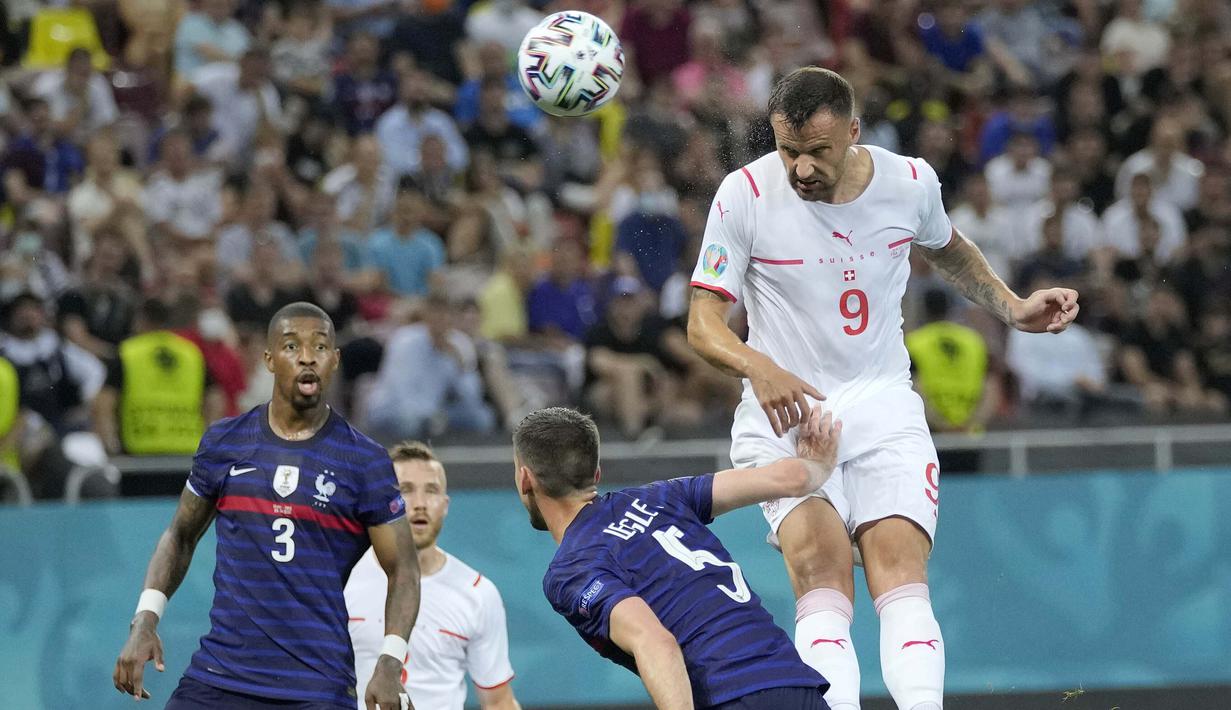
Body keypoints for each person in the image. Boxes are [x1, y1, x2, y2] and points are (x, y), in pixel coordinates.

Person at [686, 67, 1080, 710]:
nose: (801, 169)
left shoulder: (910, 181)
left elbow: (947, 246)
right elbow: (703, 323)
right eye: (789, 151)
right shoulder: (745, 195)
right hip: (784, 415)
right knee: (822, 576)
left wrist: (1011, 307)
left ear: (853, 132)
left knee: (901, 575)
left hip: (883, 401)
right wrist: (757, 366)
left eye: (818, 152)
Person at [113, 302, 422, 710]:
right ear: (269, 359)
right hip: (220, 676)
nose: (308, 356)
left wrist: (389, 660)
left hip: (314, 685)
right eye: (292, 346)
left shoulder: (362, 460)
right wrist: (145, 619)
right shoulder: (225, 442)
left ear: (335, 361)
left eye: (321, 347)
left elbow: (403, 569)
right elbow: (180, 535)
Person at [513, 406, 839, 710]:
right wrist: (819, 464)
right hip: (796, 684)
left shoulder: (572, 569)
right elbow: (788, 479)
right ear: (596, 474)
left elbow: (656, 643)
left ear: (525, 478)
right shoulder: (663, 496)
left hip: (727, 696)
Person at [346, 441, 520, 710]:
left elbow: (498, 702)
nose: (419, 504)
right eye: (405, 490)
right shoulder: (345, 578)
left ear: (446, 504)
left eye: (431, 491)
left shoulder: (477, 593)